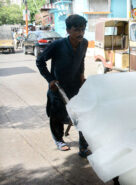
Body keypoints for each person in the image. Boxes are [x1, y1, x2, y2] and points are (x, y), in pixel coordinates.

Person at [36, 14, 90, 158]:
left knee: (82, 115)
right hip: (57, 87)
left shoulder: (84, 43)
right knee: (57, 115)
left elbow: (81, 60)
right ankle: (59, 140)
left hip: (75, 86)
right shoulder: (57, 45)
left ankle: (83, 146)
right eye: (77, 30)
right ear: (68, 30)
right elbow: (40, 61)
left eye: (83, 30)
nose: (80, 33)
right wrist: (50, 80)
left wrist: (82, 76)